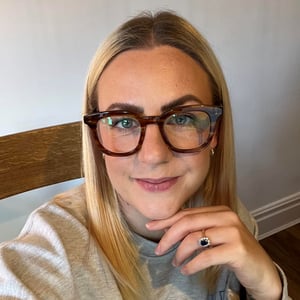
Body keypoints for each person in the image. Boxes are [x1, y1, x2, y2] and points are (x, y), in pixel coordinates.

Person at [0, 10, 290, 300]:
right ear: (96, 137)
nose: (153, 155)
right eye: (124, 122)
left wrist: (268, 287)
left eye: (182, 118)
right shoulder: (56, 246)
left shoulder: (229, 217)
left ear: (215, 131)